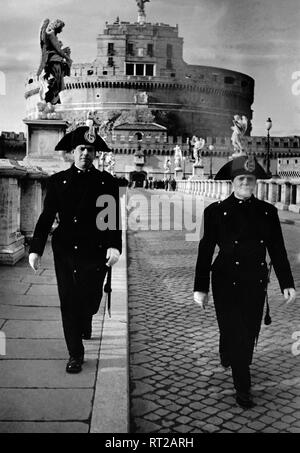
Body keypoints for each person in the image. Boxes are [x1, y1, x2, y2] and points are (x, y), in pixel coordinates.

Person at [193, 155, 296, 409]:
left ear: (256, 182)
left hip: (255, 280)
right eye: (241, 179)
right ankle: (243, 385)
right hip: (225, 280)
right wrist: (200, 288)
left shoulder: (267, 212)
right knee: (234, 329)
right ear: (232, 182)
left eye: (250, 179)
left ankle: (231, 351)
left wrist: (287, 283)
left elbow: (278, 249)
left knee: (249, 330)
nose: (246, 183)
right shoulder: (215, 211)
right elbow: (205, 250)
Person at [28, 126, 122, 374]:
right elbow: (47, 216)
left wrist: (114, 245)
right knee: (68, 300)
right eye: (81, 149)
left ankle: (88, 317)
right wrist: (36, 248)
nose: (85, 154)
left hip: (95, 249)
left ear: (95, 154)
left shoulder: (107, 182)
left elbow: (111, 218)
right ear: (72, 152)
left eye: (90, 150)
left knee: (91, 299)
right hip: (66, 249)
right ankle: (75, 354)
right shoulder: (57, 182)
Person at [37, 19, 72, 105]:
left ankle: (53, 102)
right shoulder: (51, 34)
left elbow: (56, 50)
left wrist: (65, 51)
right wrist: (67, 57)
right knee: (56, 84)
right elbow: (57, 50)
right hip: (54, 63)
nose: (62, 30)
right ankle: (49, 101)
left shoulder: (53, 35)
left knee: (59, 85)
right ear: (57, 26)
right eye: (61, 27)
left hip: (56, 62)